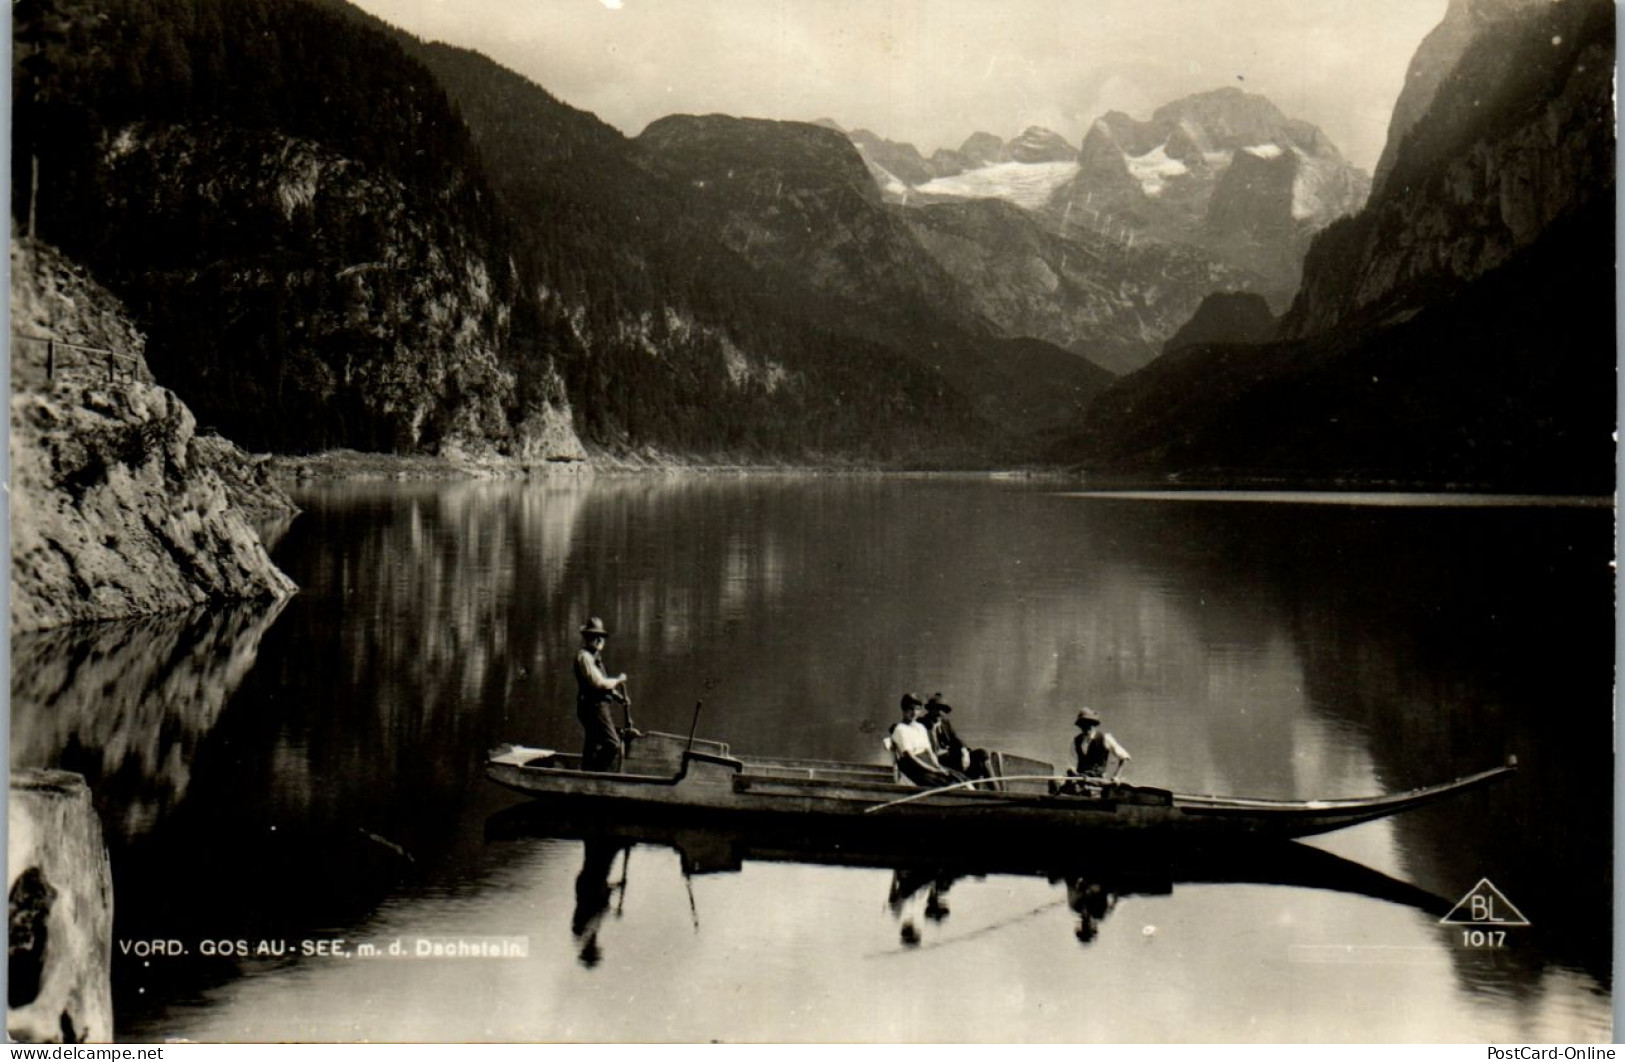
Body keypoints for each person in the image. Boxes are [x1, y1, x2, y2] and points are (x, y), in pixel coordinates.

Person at [574, 616, 630, 772]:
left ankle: (586, 771)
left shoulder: (595, 657)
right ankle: (595, 774)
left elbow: (603, 686)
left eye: (600, 637)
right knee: (613, 745)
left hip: (597, 706)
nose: (599, 640)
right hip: (593, 708)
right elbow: (599, 683)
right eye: (594, 636)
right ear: (588, 638)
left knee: (592, 743)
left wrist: (617, 697)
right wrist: (618, 680)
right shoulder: (584, 657)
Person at [886, 693, 956, 787]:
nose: (914, 712)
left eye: (917, 709)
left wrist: (938, 766)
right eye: (911, 708)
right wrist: (933, 770)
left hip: (925, 762)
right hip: (913, 768)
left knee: (953, 777)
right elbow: (911, 757)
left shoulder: (921, 727)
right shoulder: (900, 729)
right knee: (943, 783)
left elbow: (930, 752)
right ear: (904, 709)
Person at [922, 693, 991, 780]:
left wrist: (964, 752)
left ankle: (996, 789)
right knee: (974, 763)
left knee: (982, 754)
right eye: (936, 709)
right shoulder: (922, 724)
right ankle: (970, 785)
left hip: (949, 757)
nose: (939, 713)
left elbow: (956, 738)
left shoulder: (944, 722)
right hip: (936, 760)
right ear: (930, 710)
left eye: (942, 710)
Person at [1070, 708, 1131, 782]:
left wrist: (1116, 777)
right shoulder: (1077, 741)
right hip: (1080, 780)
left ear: (1094, 724)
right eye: (1082, 724)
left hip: (1097, 781)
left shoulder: (1105, 738)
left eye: (1088, 724)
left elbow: (1125, 757)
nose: (1085, 727)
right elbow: (1073, 762)